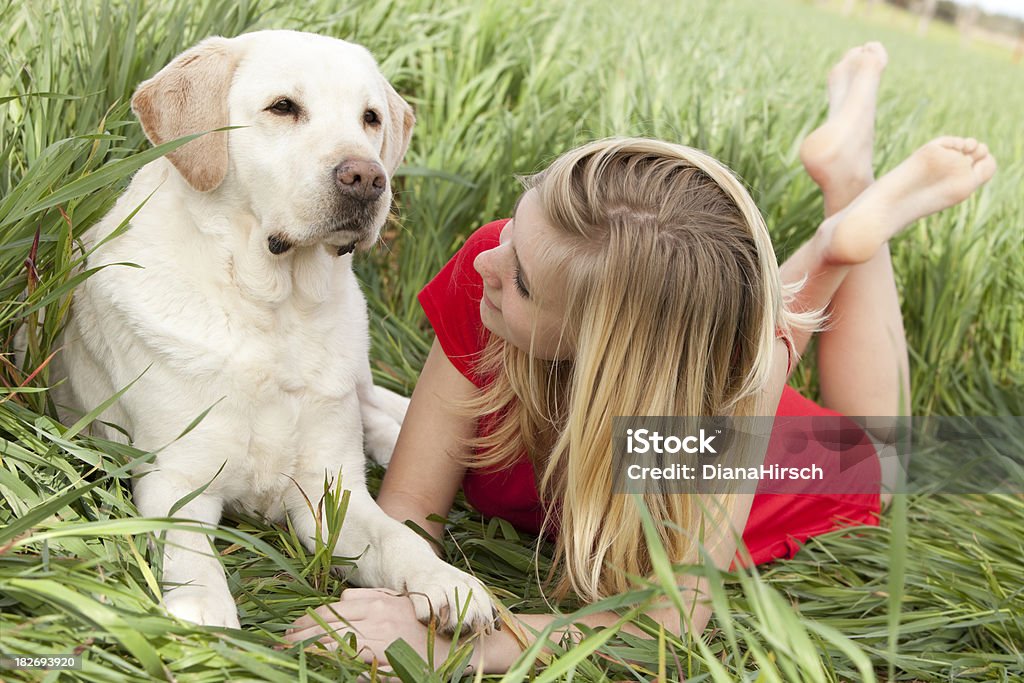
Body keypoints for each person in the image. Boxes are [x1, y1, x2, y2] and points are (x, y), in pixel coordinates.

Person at [285, 43, 996, 673]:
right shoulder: (497, 266)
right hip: (682, 369)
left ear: (602, 352)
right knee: (742, 342)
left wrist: (474, 641)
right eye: (518, 218)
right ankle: (825, 244)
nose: (489, 263)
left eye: (523, 280)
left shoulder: (697, 431)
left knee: (886, 453)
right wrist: (410, 592)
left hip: (740, 444)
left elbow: (667, 625)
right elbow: (410, 506)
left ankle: (846, 219)